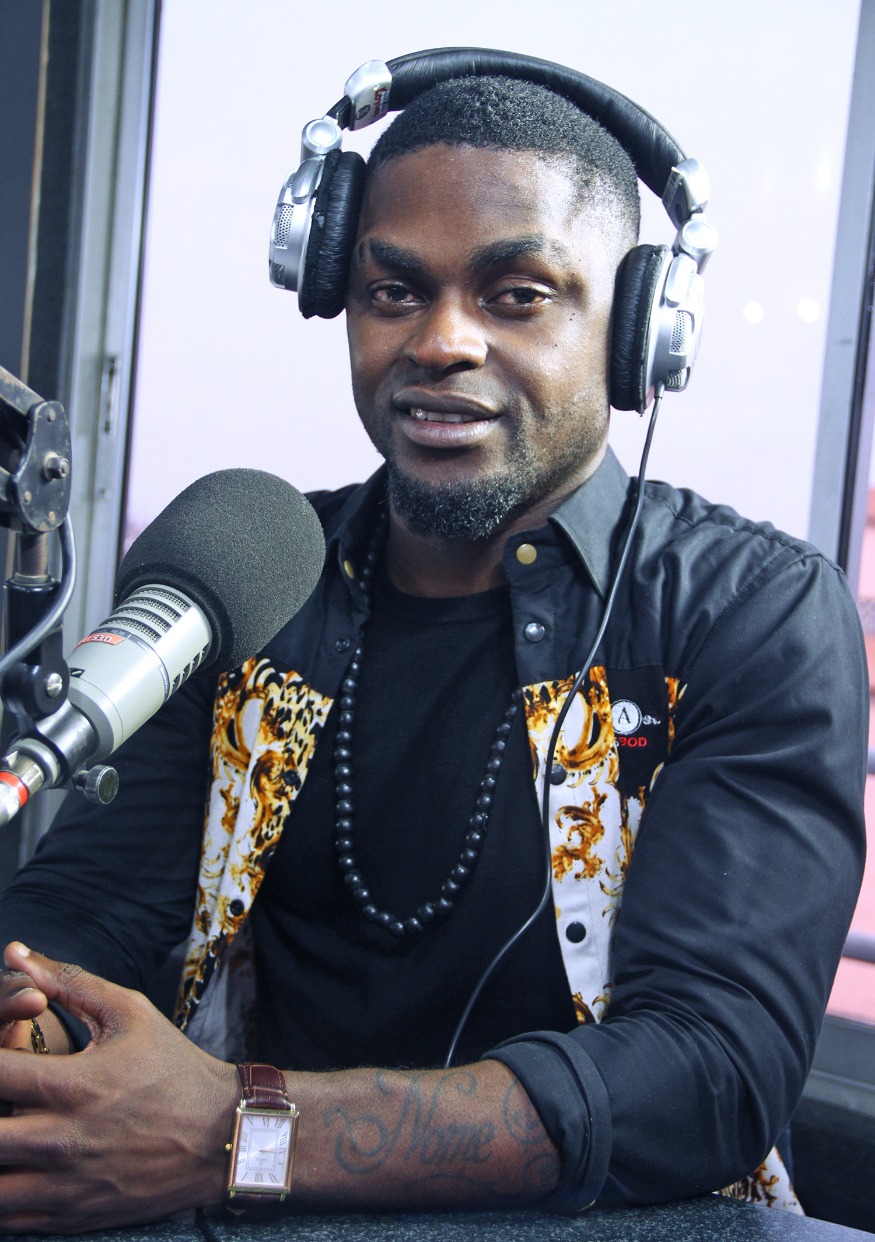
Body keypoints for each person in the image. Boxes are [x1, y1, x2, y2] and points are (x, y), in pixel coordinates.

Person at [0, 69, 867, 1235]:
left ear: (637, 331)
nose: (441, 340)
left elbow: (705, 1074)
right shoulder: (246, 579)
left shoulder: (749, 614)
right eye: (393, 290)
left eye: (517, 295)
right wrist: (40, 1014)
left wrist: (236, 1132)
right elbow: (90, 909)